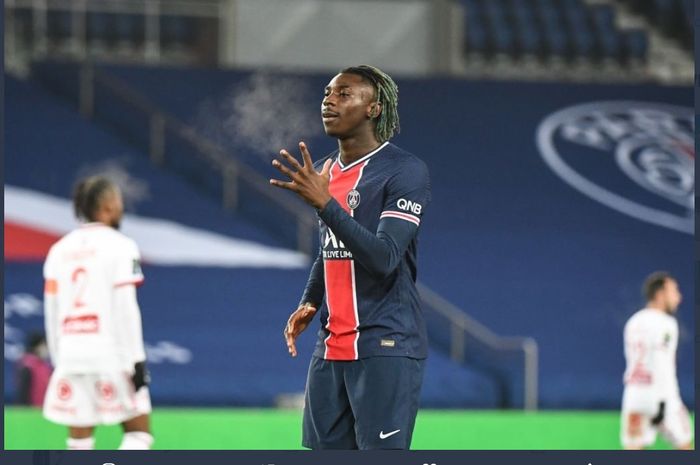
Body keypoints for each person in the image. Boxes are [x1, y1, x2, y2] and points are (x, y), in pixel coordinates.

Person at [270, 65, 431, 450]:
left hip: (385, 345)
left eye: (344, 94)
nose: (328, 99)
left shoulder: (405, 171)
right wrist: (310, 300)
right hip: (330, 347)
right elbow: (331, 246)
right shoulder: (327, 171)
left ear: (374, 108)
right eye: (327, 92)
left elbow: (385, 258)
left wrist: (325, 204)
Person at [42, 176, 153, 450]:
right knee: (138, 435)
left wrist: (59, 359)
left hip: (70, 354)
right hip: (112, 355)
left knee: (79, 443)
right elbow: (126, 308)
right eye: (118, 202)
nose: (121, 207)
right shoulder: (122, 246)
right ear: (106, 206)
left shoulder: (58, 251)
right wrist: (137, 361)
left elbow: (52, 311)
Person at [621, 271, 693, 450]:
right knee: (686, 446)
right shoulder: (666, 324)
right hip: (662, 397)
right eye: (674, 291)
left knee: (633, 448)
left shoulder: (633, 321)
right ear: (660, 294)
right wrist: (669, 400)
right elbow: (663, 363)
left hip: (635, 396)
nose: (679, 297)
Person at [16, 332, 52, 407]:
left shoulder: (45, 366)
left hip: (44, 410)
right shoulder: (27, 366)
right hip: (31, 413)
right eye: (45, 346)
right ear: (38, 347)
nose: (48, 350)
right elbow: (23, 393)